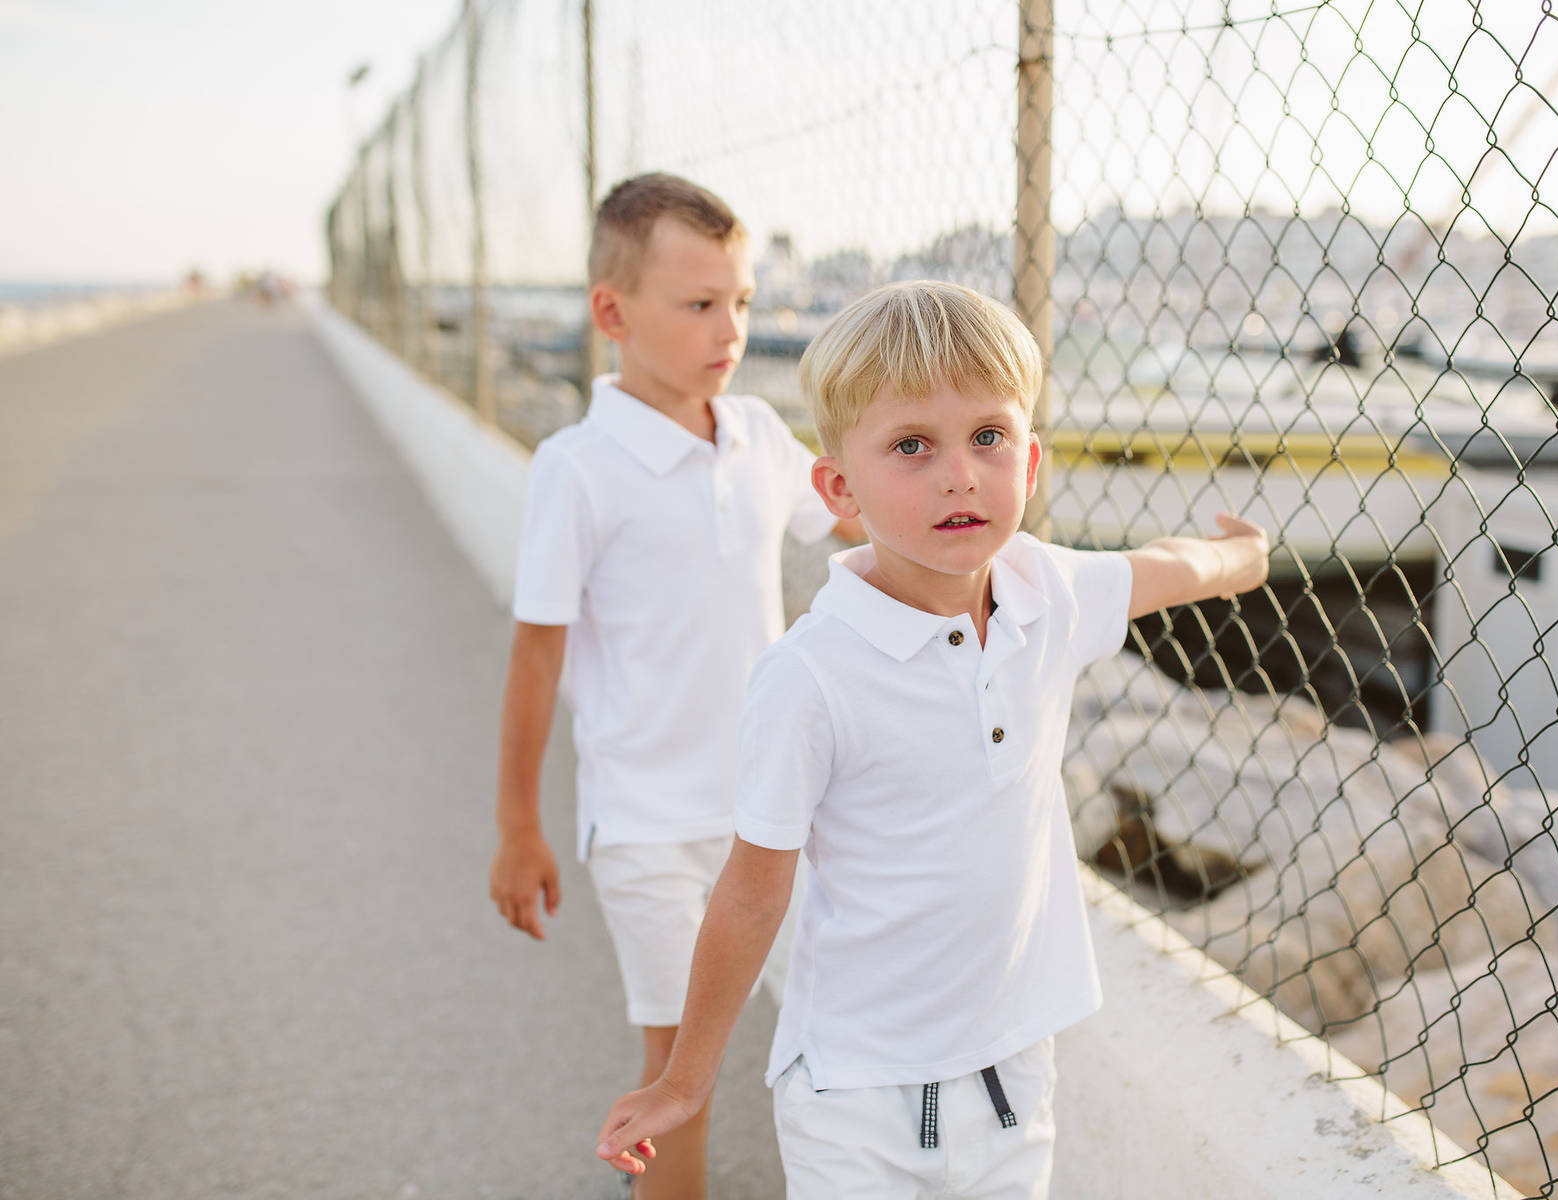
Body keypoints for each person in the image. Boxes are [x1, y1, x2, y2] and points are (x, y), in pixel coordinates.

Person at [594, 279, 1270, 1197]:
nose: (960, 473)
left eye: (987, 437)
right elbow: (752, 895)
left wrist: (1243, 558)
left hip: (1013, 1076)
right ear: (839, 488)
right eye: (911, 446)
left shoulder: (1048, 592)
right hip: (857, 1094)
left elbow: (1166, 568)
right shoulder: (809, 676)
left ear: (1029, 465)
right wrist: (684, 1078)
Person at [488, 173, 858, 1200]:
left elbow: (863, 524)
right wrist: (519, 823)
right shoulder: (578, 467)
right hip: (647, 822)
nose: (729, 328)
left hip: (774, 816)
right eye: (699, 305)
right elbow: (536, 654)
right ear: (614, 313)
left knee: (821, 1038)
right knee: (675, 1078)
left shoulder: (759, 439)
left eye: (739, 302)